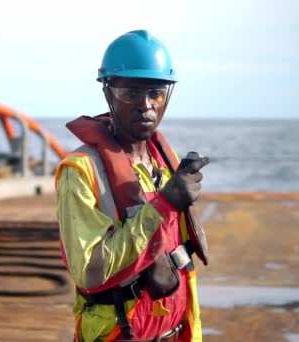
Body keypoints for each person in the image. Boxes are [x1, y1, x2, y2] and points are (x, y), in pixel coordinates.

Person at [55, 30, 209, 341]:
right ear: (108, 92)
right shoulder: (81, 171)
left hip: (176, 330)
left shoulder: (164, 161)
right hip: (119, 333)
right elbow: (90, 269)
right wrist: (164, 205)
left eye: (156, 92)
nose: (146, 105)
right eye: (130, 93)